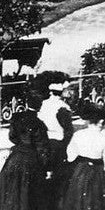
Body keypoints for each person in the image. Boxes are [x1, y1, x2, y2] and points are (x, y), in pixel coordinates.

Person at [0, 90, 49, 210]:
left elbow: (12, 137)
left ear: (26, 103)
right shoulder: (39, 125)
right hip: (31, 161)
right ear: (40, 106)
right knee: (26, 197)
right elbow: (42, 147)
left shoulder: (17, 118)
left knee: (11, 191)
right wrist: (45, 166)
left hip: (15, 158)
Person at [60, 101, 105, 210]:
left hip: (80, 173)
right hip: (98, 175)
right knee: (99, 205)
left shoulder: (78, 135)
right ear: (101, 121)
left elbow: (70, 156)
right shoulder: (104, 140)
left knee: (79, 202)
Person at [36, 71, 75, 203]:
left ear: (51, 92)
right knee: (59, 176)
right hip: (59, 144)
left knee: (46, 174)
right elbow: (68, 130)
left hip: (45, 142)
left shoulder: (43, 104)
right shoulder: (63, 107)